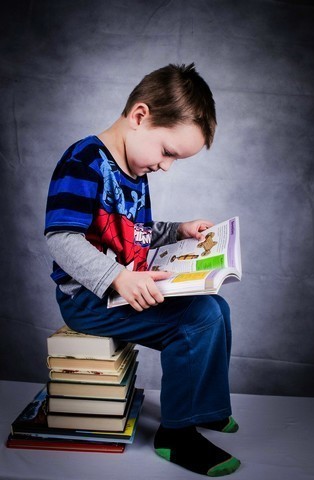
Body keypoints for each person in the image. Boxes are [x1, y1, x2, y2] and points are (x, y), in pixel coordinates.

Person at [44, 63, 241, 477]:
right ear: (139, 116)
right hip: (89, 300)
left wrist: (178, 231)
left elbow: (139, 233)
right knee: (198, 320)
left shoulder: (135, 171)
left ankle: (205, 406)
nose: (167, 166)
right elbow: (61, 239)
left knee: (215, 307)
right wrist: (115, 276)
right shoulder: (84, 162)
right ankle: (177, 434)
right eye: (168, 152)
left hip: (123, 288)